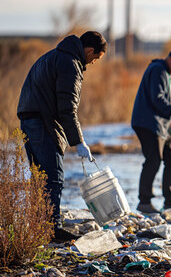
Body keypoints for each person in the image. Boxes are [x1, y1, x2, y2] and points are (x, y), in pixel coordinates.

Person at [17, 31, 107, 241]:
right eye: (95, 59)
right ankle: (51, 229)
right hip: (42, 122)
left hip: (28, 118)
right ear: (90, 50)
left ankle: (38, 227)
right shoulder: (70, 63)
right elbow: (67, 109)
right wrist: (79, 142)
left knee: (39, 177)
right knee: (54, 177)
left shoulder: (53, 55)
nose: (92, 63)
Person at [131, 47, 171, 214]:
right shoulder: (158, 70)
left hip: (158, 125)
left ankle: (170, 200)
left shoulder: (165, 72)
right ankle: (144, 202)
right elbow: (157, 99)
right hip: (147, 122)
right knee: (153, 159)